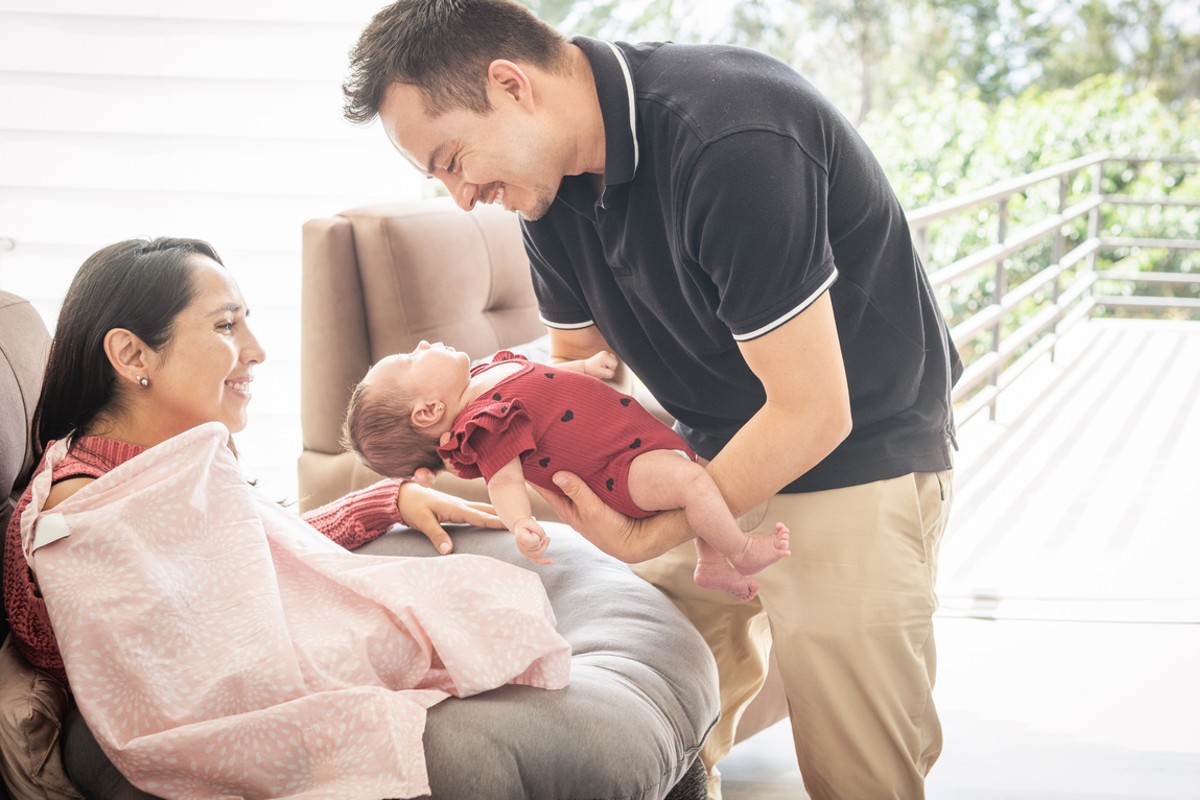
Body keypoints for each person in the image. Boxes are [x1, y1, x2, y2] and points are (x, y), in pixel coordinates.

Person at [342, 1, 961, 797]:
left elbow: (812, 411)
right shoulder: (547, 194)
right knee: (657, 720)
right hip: (700, 445)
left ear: (510, 85)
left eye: (453, 158)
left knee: (859, 771)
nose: (462, 196)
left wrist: (657, 530)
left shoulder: (730, 138)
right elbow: (581, 372)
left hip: (855, 452)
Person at [2, 237, 571, 798]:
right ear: (131, 355)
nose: (256, 350)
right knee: (428, 617)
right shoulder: (85, 511)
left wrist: (384, 503)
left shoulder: (168, 455)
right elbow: (180, 692)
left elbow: (241, 552)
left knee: (457, 604)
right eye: (226, 326)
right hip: (180, 718)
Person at [343, 343, 791, 600]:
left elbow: (541, 377)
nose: (421, 345)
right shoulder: (482, 425)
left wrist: (584, 368)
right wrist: (521, 523)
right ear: (429, 411)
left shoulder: (485, 372)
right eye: (410, 359)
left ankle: (710, 564)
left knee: (693, 472)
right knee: (694, 484)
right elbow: (504, 480)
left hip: (628, 438)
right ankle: (739, 549)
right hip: (615, 469)